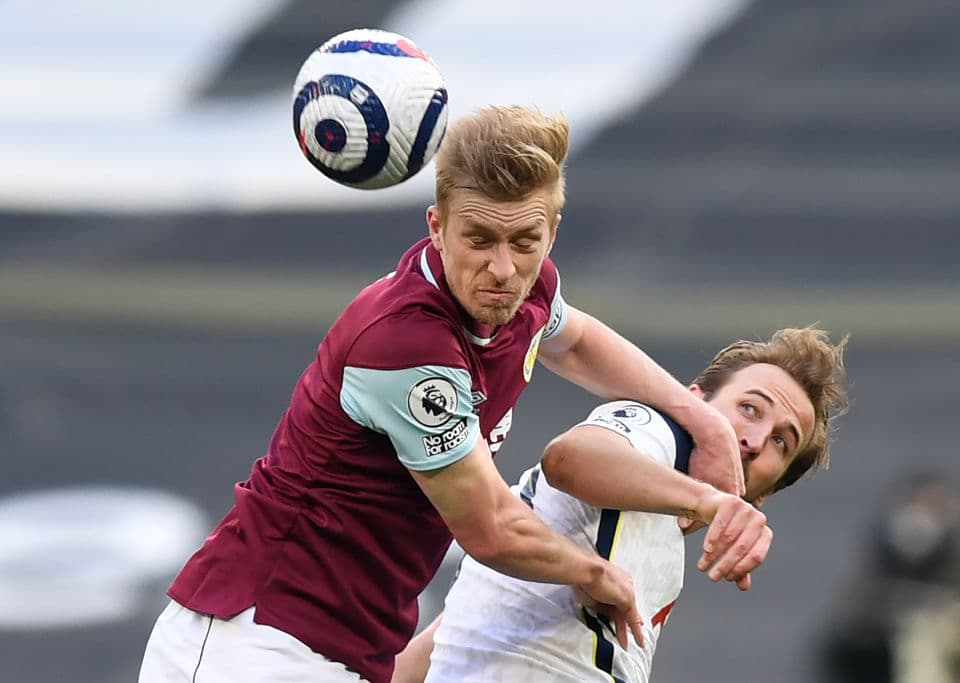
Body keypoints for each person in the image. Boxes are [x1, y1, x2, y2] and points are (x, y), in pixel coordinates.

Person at [136, 105, 772, 683]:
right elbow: (491, 528)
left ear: (551, 233)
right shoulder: (407, 345)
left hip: (340, 656)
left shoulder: (526, 289)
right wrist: (597, 574)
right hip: (252, 643)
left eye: (525, 242)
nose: (501, 269)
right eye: (479, 239)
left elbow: (574, 341)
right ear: (436, 227)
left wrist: (704, 422)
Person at [391, 326, 849, 683]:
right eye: (749, 408)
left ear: (763, 495)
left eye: (781, 443)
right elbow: (570, 458)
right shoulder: (658, 432)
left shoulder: (663, 547)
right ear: (694, 403)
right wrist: (709, 500)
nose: (753, 440)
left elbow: (442, 644)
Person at [817, 470, 960, 683]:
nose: (917, 516)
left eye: (930, 506)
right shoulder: (870, 590)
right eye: (910, 503)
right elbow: (835, 658)